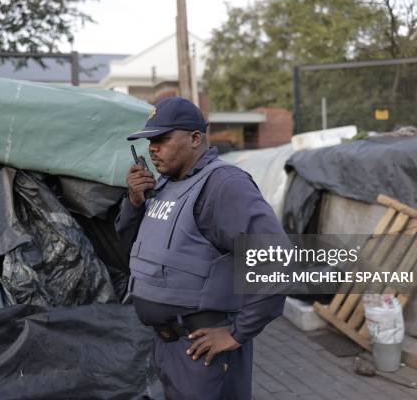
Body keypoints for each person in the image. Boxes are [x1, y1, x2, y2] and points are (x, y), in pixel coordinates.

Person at [115, 96, 290, 399]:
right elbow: (133, 248)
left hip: (203, 351)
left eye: (162, 139)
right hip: (169, 347)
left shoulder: (223, 185)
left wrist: (238, 332)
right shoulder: (166, 185)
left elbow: (278, 258)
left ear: (195, 138)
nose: (153, 148)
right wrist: (135, 202)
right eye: (149, 141)